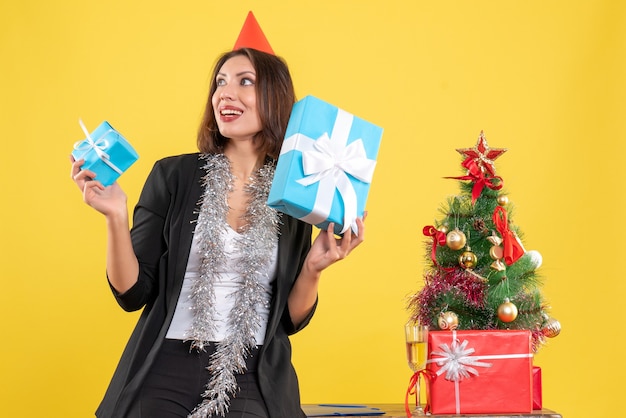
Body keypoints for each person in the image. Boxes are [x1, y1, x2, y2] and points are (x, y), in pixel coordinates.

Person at [70, 46, 365, 418]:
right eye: (220, 83)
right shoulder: (173, 175)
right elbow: (132, 293)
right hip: (165, 364)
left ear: (275, 98)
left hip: (251, 371)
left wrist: (314, 268)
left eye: (245, 82)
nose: (225, 93)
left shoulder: (297, 191)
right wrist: (115, 217)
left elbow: (289, 321)